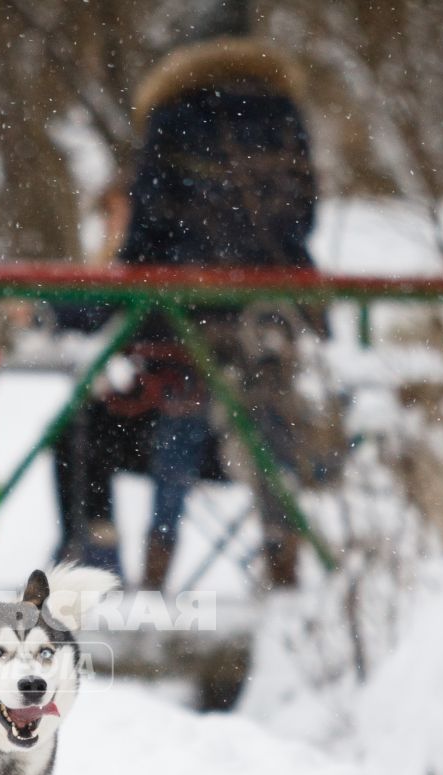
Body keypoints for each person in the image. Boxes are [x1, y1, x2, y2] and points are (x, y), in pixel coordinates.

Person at [116, 34, 318, 590]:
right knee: (270, 423)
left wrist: (132, 277)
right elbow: (305, 211)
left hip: (186, 296)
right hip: (267, 299)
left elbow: (149, 216)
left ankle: (158, 563)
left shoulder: (174, 113)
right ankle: (286, 556)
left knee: (180, 424)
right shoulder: (283, 112)